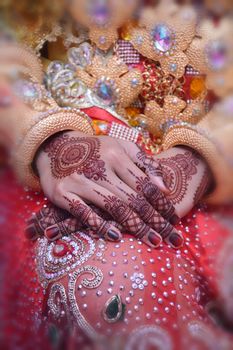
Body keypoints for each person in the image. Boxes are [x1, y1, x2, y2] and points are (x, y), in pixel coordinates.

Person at [0, 0, 233, 349]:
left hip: (216, 178)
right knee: (110, 284)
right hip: (55, 172)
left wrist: (206, 153)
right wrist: (50, 138)